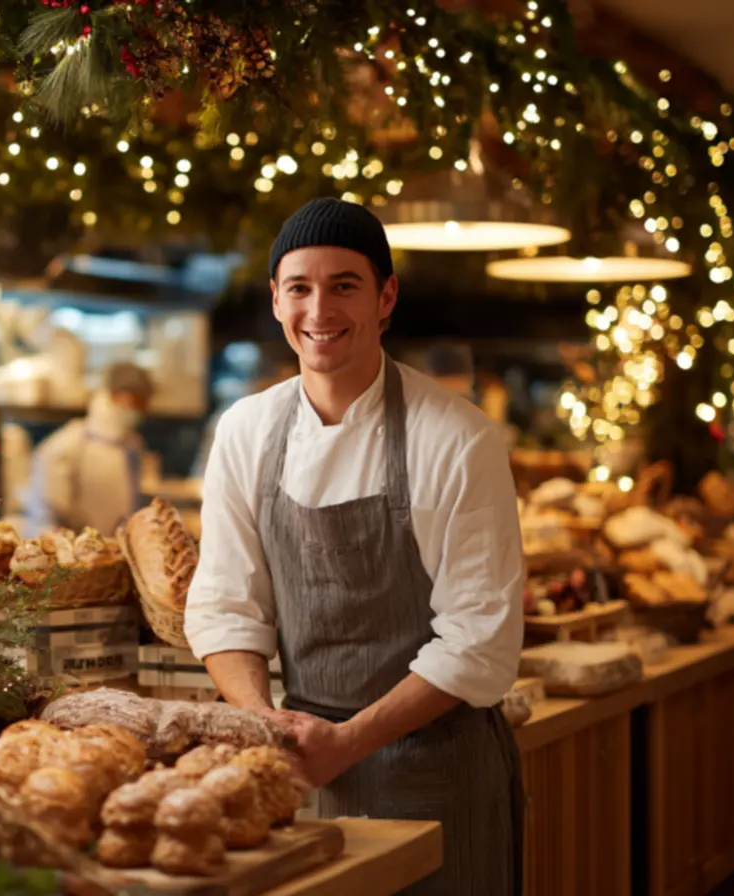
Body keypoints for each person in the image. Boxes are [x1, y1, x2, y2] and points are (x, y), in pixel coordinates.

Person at [184, 197, 525, 895]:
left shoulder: (456, 438)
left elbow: (479, 640)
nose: (319, 310)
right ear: (276, 300)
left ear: (385, 297)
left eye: (344, 285)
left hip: (436, 773)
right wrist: (264, 728)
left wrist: (349, 742)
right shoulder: (246, 432)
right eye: (300, 288)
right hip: (297, 774)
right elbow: (226, 605)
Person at [23, 362, 154, 536]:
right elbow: (49, 511)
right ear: (114, 395)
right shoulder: (68, 444)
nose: (141, 409)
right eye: (136, 400)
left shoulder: (133, 445)